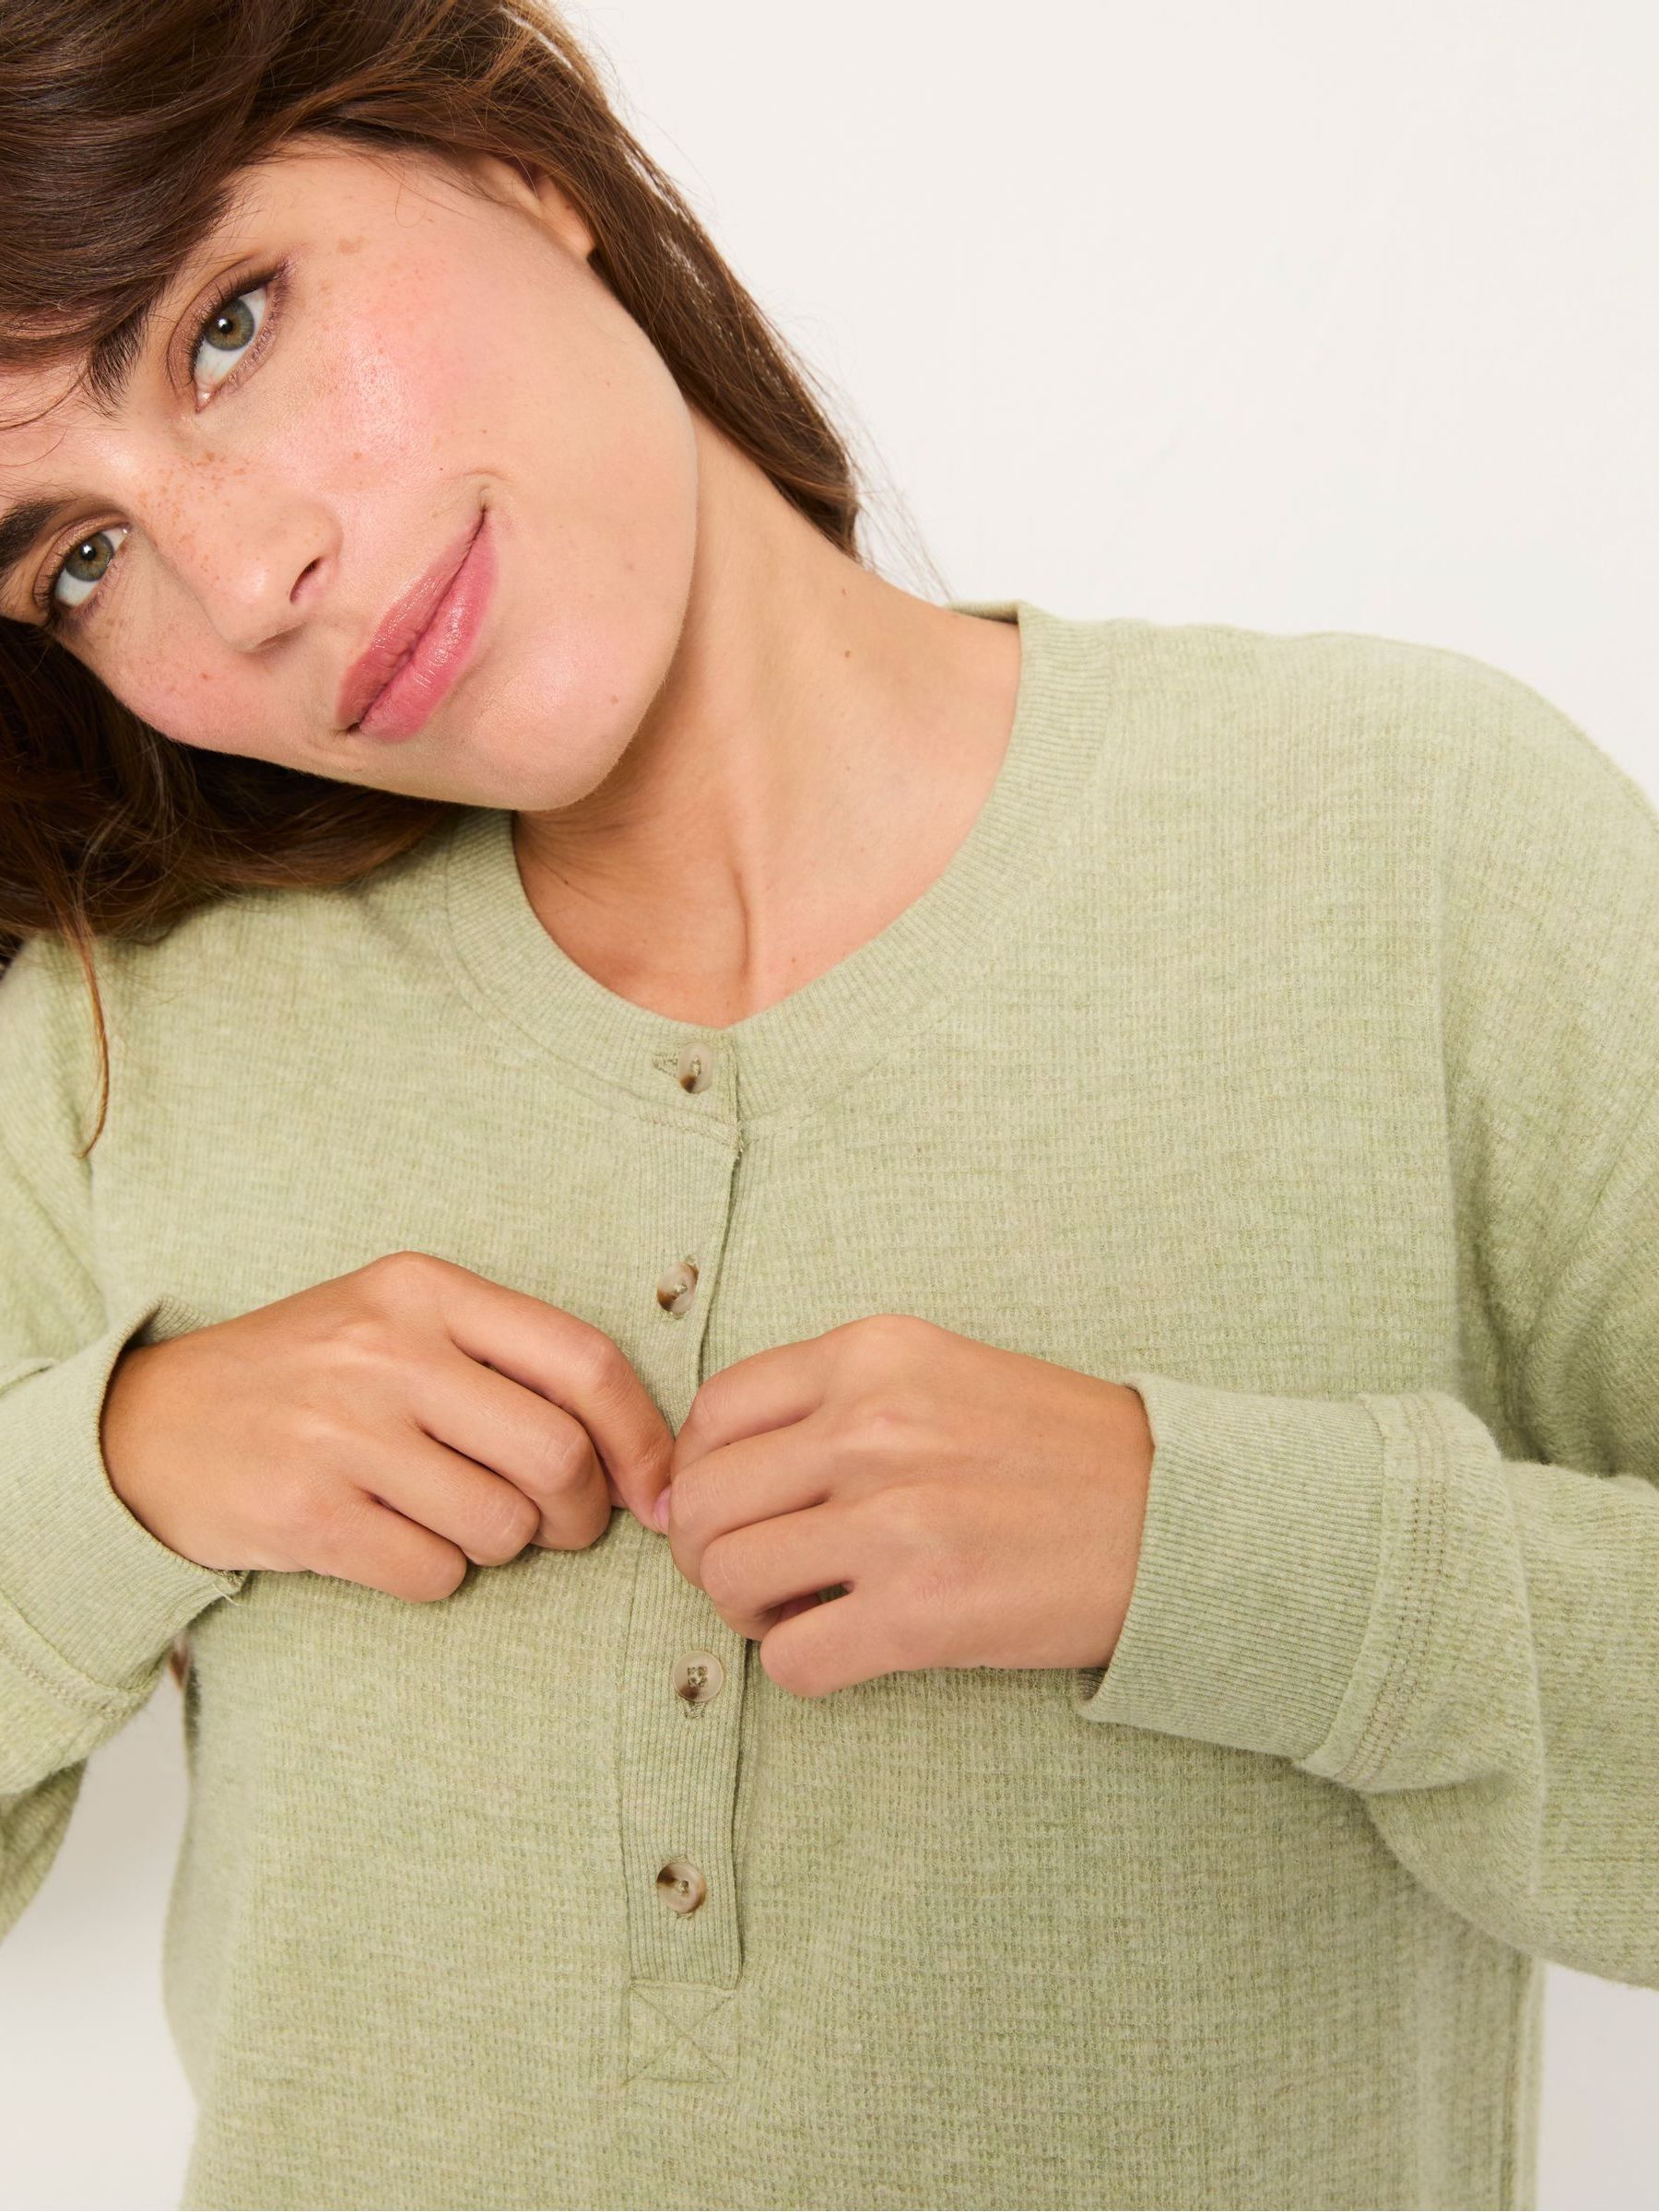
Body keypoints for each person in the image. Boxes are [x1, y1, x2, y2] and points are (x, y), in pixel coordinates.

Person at [1, 4, 1654, 2208]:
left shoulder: (1412, 841)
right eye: (77, 558)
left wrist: (1220, 1551)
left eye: (229, 325)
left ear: (511, 154)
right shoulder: (121, 1042)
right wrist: (115, 1476)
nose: (246, 577)